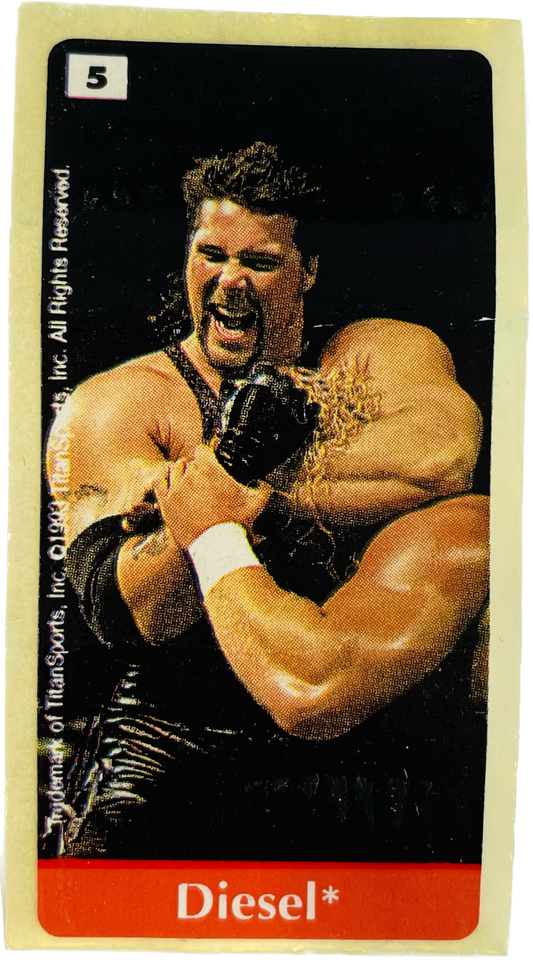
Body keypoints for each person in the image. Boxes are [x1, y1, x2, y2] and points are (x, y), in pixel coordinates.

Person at [46, 142, 489, 861]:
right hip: (175, 740)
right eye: (211, 254)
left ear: (307, 270)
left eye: (259, 261)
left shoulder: (370, 355)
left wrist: (236, 483)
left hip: (355, 729)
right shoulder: (123, 405)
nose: (230, 279)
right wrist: (239, 467)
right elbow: (133, 611)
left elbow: (441, 460)